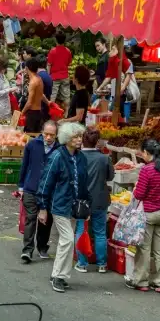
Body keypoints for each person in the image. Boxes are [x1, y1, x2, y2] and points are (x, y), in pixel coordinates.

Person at [37, 122, 88, 293]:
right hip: (59, 205)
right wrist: (42, 207)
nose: (79, 139)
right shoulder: (57, 156)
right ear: (67, 139)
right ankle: (59, 276)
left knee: (66, 242)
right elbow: (46, 182)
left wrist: (85, 204)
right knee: (68, 240)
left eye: (80, 136)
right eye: (75, 137)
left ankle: (59, 275)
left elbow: (84, 183)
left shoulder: (81, 158)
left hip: (74, 207)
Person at [126, 139, 160, 293]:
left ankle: (141, 281)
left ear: (147, 153)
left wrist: (135, 190)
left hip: (148, 213)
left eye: (143, 153)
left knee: (145, 248)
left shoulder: (147, 170)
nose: (142, 156)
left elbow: (140, 194)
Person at [18, 120, 59, 263]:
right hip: (31, 188)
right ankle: (27, 250)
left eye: (52, 135)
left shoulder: (59, 150)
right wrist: (21, 187)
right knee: (31, 219)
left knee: (46, 221)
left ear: (56, 135)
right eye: (46, 134)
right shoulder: (32, 145)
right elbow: (24, 166)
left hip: (49, 192)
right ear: (42, 132)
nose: (48, 138)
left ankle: (42, 246)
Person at [75, 126, 114, 273]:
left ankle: (82, 263)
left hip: (81, 201)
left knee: (81, 230)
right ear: (97, 142)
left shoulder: (77, 157)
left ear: (83, 141)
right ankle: (102, 264)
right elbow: (110, 177)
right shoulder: (104, 158)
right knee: (100, 232)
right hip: (100, 200)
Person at [0, 57, 18, 123]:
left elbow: (6, 86)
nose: (5, 69)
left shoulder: (2, 75)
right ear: (1, 67)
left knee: (7, 125)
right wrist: (9, 90)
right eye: (5, 68)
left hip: (6, 105)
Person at [48, 32, 73, 110]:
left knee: (53, 96)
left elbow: (49, 65)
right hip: (65, 76)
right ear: (64, 40)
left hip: (54, 77)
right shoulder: (68, 51)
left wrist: (48, 76)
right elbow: (69, 63)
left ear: (56, 40)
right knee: (66, 96)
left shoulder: (52, 51)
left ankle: (51, 112)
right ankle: (66, 113)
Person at [23, 58, 44, 133]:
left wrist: (22, 113)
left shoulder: (33, 82)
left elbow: (29, 103)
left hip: (32, 113)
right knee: (36, 135)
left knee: (29, 137)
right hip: (38, 112)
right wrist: (48, 102)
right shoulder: (39, 78)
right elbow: (41, 94)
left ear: (27, 68)